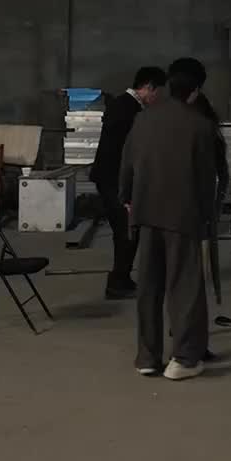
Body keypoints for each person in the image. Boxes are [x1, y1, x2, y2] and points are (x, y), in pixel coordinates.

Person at [119, 56, 221, 381]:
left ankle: (147, 357)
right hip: (183, 216)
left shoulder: (143, 119)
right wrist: (208, 218)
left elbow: (127, 163)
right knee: (185, 288)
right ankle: (185, 360)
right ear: (196, 90)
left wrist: (127, 199)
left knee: (149, 287)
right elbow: (206, 179)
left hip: (146, 213)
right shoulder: (200, 126)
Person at [89, 66, 167, 299]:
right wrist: (127, 194)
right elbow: (123, 154)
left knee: (128, 231)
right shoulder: (127, 109)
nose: (157, 98)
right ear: (149, 87)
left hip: (113, 178)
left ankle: (121, 278)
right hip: (113, 179)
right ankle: (117, 282)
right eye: (158, 92)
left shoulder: (127, 106)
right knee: (126, 231)